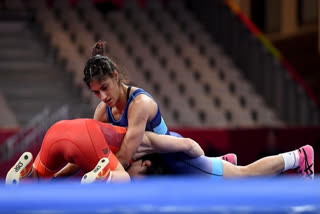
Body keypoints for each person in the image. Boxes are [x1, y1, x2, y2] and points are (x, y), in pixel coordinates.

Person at [73, 40, 236, 175]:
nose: (103, 97)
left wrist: (95, 174)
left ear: (115, 76)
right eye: (96, 93)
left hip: (175, 158)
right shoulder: (103, 110)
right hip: (150, 161)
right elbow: (92, 149)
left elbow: (123, 158)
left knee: (245, 173)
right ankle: (216, 161)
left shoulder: (140, 104)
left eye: (104, 87)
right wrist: (58, 175)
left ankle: (212, 162)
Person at [6, 119, 314, 184]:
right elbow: (78, 156)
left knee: (245, 175)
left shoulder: (154, 148)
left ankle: (299, 156)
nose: (131, 170)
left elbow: (187, 146)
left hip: (190, 157)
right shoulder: (135, 147)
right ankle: (221, 162)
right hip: (192, 161)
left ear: (145, 163)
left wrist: (201, 156)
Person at [5, 118, 204, 184]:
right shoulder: (145, 140)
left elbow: (77, 156)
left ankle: (25, 172)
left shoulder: (104, 152)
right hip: (87, 135)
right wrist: (204, 161)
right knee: (122, 179)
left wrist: (56, 180)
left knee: (37, 181)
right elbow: (188, 144)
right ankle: (105, 176)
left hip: (58, 130)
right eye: (139, 178)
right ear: (146, 163)